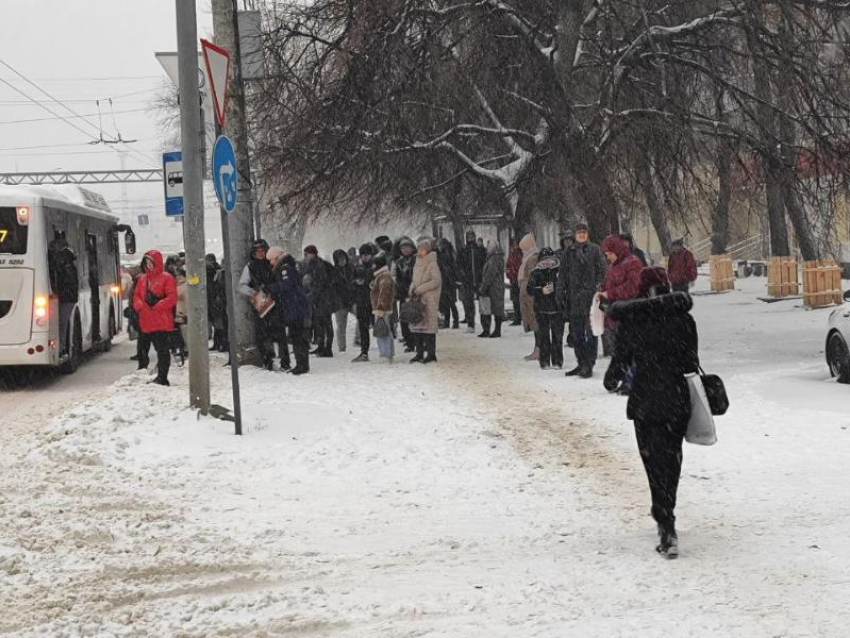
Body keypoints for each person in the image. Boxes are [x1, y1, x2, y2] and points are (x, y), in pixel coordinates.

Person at [604, 267, 699, 558]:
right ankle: (667, 508)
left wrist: (611, 379)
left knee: (652, 462)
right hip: (675, 400)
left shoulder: (633, 322)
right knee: (672, 458)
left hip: (646, 401)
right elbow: (690, 363)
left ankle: (664, 518)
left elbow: (618, 366)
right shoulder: (683, 319)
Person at [559, 222, 607, 378]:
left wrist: (597, 287)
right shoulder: (569, 252)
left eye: (584, 232)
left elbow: (602, 270)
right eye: (579, 232)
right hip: (574, 299)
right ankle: (581, 363)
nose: (581, 235)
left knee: (591, 333)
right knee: (577, 335)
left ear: (588, 234)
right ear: (575, 234)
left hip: (591, 299)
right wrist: (560, 291)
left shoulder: (595, 250)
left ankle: (589, 364)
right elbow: (563, 274)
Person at [133, 250, 177, 386]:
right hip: (147, 320)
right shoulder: (142, 279)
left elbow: (172, 297)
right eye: (146, 263)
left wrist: (158, 306)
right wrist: (139, 305)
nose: (149, 265)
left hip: (161, 320)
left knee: (162, 349)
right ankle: (157, 374)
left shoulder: (167, 278)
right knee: (150, 347)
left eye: (151, 262)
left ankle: (162, 377)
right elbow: (136, 296)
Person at [237, 239, 282, 370]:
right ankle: (267, 358)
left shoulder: (273, 263)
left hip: (277, 301)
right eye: (258, 252)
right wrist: (255, 292)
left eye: (263, 251)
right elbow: (241, 286)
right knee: (263, 333)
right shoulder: (250, 266)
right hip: (261, 304)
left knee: (279, 333)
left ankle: (283, 359)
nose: (261, 254)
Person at [267, 248, 310, 375]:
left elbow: (287, 285)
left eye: (271, 260)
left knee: (296, 336)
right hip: (296, 305)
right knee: (299, 336)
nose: (271, 263)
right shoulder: (291, 265)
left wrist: (271, 288)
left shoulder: (285, 268)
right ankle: (303, 363)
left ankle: (301, 365)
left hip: (293, 306)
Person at [528, 247, 565, 369]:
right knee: (544, 336)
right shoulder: (536, 273)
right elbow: (530, 289)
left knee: (557, 336)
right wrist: (541, 290)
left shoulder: (559, 273)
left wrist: (558, 291)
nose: (548, 263)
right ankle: (544, 361)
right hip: (541, 309)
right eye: (544, 261)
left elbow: (565, 287)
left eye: (550, 260)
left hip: (557, 309)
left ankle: (557, 361)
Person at [409, 237, 442, 363]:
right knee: (418, 327)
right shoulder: (417, 263)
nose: (420, 251)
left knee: (428, 329)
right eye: (419, 249)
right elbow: (414, 279)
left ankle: (431, 353)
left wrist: (420, 289)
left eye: (423, 249)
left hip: (429, 300)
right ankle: (419, 353)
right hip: (418, 300)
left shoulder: (432, 264)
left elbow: (435, 281)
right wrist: (412, 289)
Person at [303, 245, 336, 357]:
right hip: (321, 299)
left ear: (313, 254)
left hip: (323, 299)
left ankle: (327, 348)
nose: (305, 257)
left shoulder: (318, 265)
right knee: (319, 323)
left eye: (307, 254)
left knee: (326, 323)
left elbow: (320, 283)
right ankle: (321, 347)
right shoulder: (314, 264)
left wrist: (312, 295)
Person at [456, 230, 487, 332]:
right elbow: (458, 265)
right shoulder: (463, 250)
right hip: (467, 280)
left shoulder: (480, 250)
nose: (471, 239)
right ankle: (470, 323)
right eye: (469, 237)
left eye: (472, 237)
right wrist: (462, 276)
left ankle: (485, 324)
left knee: (483, 302)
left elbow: (484, 263)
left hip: (479, 279)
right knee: (468, 303)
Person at [351, 243, 376, 362]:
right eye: (363, 255)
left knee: (381, 326)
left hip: (373, 301)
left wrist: (365, 281)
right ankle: (364, 351)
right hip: (361, 301)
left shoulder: (375, 267)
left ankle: (387, 349)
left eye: (367, 255)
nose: (365, 257)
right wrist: (356, 282)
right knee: (363, 328)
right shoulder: (357, 267)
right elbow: (351, 283)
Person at [518, 233, 540, 361]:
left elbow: (532, 278)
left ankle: (539, 348)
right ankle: (538, 348)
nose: (522, 251)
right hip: (528, 294)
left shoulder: (532, 258)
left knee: (535, 322)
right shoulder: (528, 257)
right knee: (534, 321)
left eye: (523, 248)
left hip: (531, 295)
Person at [370, 252, 396, 362]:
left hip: (382, 308)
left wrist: (380, 307)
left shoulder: (383, 276)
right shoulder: (383, 275)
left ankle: (387, 353)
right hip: (383, 307)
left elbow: (383, 293)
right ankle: (387, 352)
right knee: (385, 330)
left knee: (383, 331)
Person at [478, 240, 506, 338]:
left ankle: (492, 330)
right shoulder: (496, 257)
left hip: (493, 287)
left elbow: (490, 274)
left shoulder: (494, 258)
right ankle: (493, 330)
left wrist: (483, 287)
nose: (487, 248)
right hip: (496, 286)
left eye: (489, 246)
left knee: (492, 309)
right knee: (495, 308)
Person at [395, 237, 417, 352]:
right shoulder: (399, 262)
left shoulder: (416, 260)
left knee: (416, 318)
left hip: (415, 292)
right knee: (404, 319)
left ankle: (418, 341)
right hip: (403, 293)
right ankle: (409, 342)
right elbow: (398, 278)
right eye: (402, 248)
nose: (405, 250)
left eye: (407, 247)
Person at [332, 249, 355, 353]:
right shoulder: (333, 272)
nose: (342, 261)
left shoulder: (351, 268)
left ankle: (358, 339)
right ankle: (342, 347)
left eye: (343, 258)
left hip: (351, 299)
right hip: (340, 302)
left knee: (362, 317)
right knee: (341, 326)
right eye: (339, 259)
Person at [205, 254, 228, 353]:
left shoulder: (218, 272)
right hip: (212, 299)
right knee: (217, 323)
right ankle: (218, 343)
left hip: (216, 300)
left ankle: (221, 343)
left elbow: (218, 286)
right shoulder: (216, 271)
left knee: (219, 323)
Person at [437, 238, 460, 329]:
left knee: (450, 303)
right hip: (444, 281)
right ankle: (447, 321)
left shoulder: (449, 253)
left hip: (449, 281)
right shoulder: (442, 253)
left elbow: (453, 266)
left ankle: (454, 321)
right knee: (445, 303)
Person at [506, 242, 523, 326]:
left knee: (518, 300)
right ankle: (517, 317)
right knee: (515, 300)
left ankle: (518, 317)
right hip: (513, 280)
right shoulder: (512, 255)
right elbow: (508, 266)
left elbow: (519, 266)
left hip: (518, 280)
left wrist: (515, 274)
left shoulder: (519, 254)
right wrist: (509, 274)